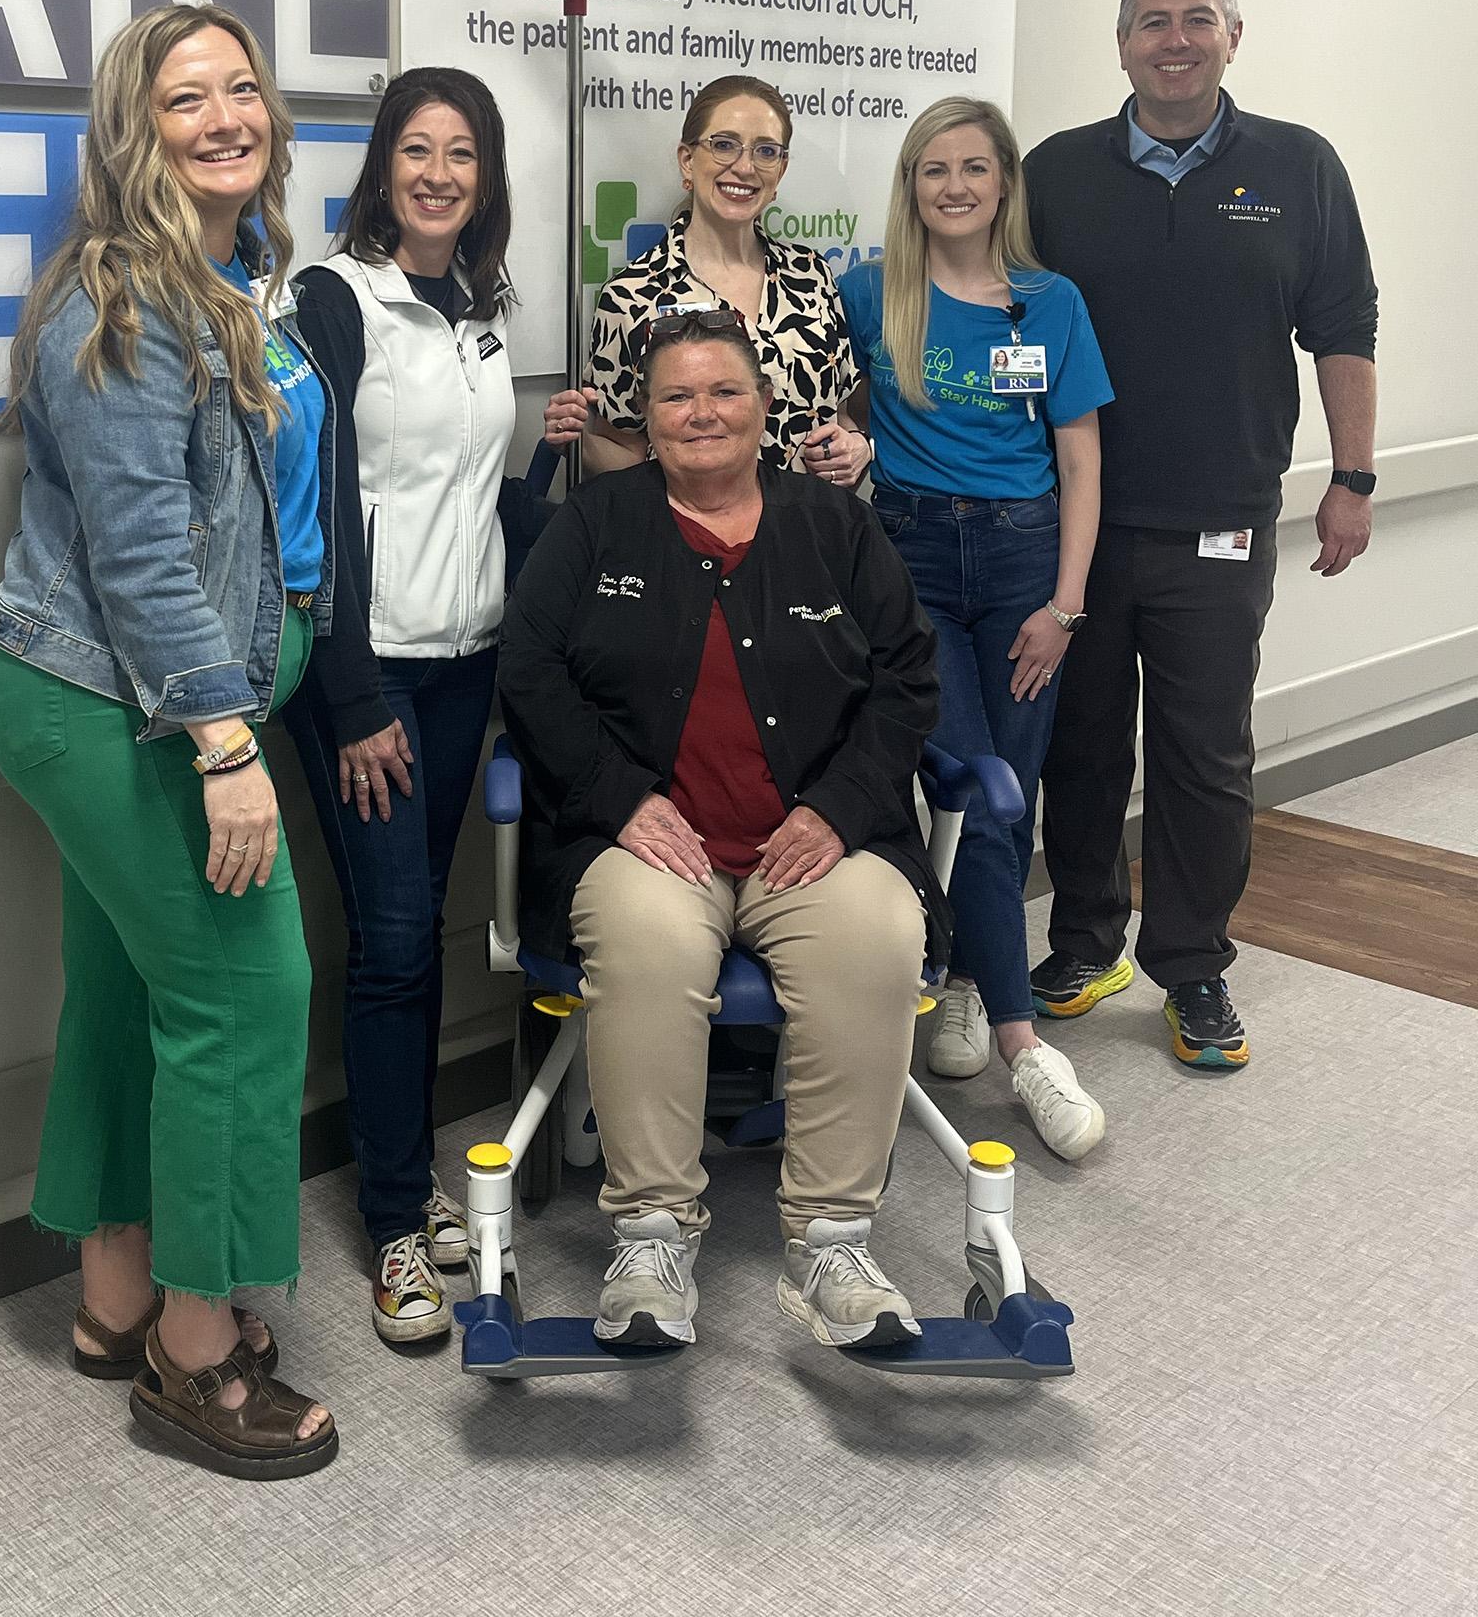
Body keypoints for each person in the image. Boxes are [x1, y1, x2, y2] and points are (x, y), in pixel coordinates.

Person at [0, 2, 339, 1479]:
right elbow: (138, 559)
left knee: (135, 991)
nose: (225, 116)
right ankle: (195, 1353)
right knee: (247, 994)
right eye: (186, 98)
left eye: (241, 88)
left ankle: (115, 1300)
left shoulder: (236, 279)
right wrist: (227, 749)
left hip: (138, 697)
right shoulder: (123, 303)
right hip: (117, 699)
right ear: (136, 131)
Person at [500, 310, 946, 1353]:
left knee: (879, 937)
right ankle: (651, 1237)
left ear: (764, 406)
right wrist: (619, 797)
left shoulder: (835, 528)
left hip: (815, 840)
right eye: (675, 396)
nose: (701, 413)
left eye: (723, 391)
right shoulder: (595, 524)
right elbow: (528, 671)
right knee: (648, 943)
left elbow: (908, 679)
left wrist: (837, 807)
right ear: (645, 417)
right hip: (648, 843)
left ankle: (831, 1244)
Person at [1024, 0, 1378, 1071]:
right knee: (1079, 747)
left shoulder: (1298, 166)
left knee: (1204, 757)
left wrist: (1354, 477)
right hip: (1075, 525)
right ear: (1121, 43)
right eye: (1152, 21)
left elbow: (1343, 327)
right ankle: (1084, 941)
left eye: (1196, 19)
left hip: (1221, 524)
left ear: (1232, 35)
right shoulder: (1056, 172)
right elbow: (1000, 315)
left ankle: (1191, 965)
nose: (1173, 39)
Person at [282, 68, 518, 1348]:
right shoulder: (329, 298)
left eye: (461, 154)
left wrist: (552, 458)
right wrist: (351, 688)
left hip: (463, 659)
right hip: (363, 672)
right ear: (381, 168)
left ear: (485, 179)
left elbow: (459, 495)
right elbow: (312, 502)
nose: (437, 174)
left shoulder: (478, 306)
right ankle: (389, 1222)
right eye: (416, 151)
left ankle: (409, 1177)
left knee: (416, 929)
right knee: (388, 938)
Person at [839, 98, 1110, 1160]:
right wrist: (845, 447)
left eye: (973, 168)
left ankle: (962, 973)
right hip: (908, 559)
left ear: (1003, 183)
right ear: (910, 187)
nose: (953, 186)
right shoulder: (872, 293)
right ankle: (1024, 1043)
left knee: (1011, 788)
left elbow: (1080, 458)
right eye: (932, 169)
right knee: (973, 786)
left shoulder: (1050, 302)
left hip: (1023, 564)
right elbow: (841, 415)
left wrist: (1064, 607)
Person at [543, 75, 869, 488]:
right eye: (724, 144)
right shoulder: (631, 297)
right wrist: (576, 442)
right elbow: (624, 454)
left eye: (766, 151)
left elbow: (840, 417)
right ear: (687, 160)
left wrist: (855, 447)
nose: (745, 167)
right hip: (684, 525)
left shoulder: (812, 276)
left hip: (811, 520)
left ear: (781, 169)